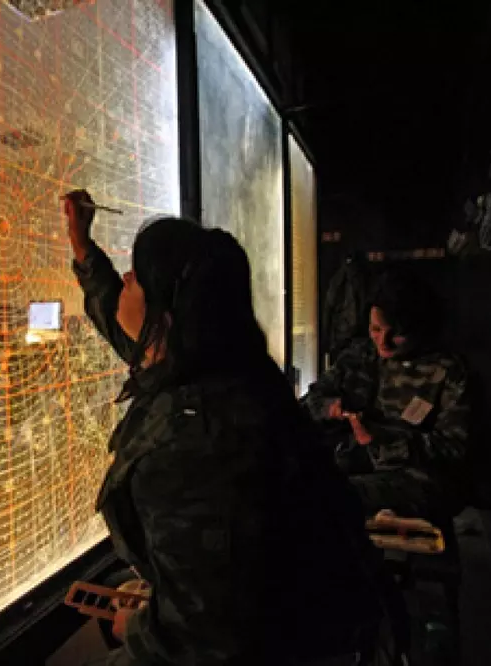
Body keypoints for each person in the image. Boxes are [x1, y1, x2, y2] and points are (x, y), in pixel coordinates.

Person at [64, 191, 386, 665]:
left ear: (166, 318)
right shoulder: (224, 368)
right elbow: (125, 322)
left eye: (136, 276)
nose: (125, 281)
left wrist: (138, 628)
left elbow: (210, 637)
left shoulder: (195, 448)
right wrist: (83, 249)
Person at [302, 270, 470, 520]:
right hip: (350, 462)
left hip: (413, 478)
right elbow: (311, 401)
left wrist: (382, 441)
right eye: (376, 329)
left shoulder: (448, 372)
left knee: (329, 497)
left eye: (396, 334)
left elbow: (455, 447)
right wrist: (332, 408)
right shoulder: (360, 356)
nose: (383, 341)